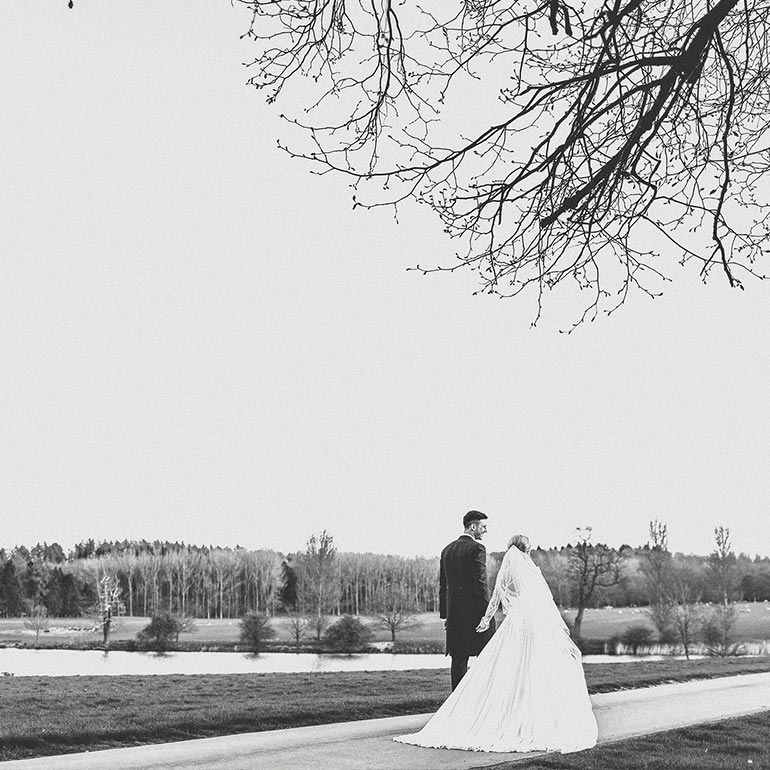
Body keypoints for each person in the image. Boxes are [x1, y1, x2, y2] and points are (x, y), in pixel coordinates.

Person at [395, 534, 598, 753]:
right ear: (526, 550)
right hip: (535, 623)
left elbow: (495, 598)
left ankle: (506, 715)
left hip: (515, 623)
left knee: (511, 670)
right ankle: (532, 716)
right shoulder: (532, 571)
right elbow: (544, 602)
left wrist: (485, 619)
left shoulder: (507, 570)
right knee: (535, 670)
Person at [439, 510, 496, 690]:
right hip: (475, 614)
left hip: (454, 616)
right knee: (487, 657)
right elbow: (480, 584)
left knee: (459, 660)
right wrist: (487, 615)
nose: (485, 531)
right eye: (483, 526)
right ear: (473, 526)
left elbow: (443, 586)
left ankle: (457, 704)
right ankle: (482, 701)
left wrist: (445, 616)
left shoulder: (446, 550)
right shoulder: (477, 549)